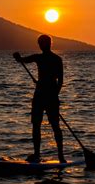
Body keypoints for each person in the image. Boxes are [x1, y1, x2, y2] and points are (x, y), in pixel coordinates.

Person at [13, 34, 66, 163]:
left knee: (54, 126)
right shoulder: (41, 58)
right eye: (40, 43)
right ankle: (37, 154)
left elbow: (60, 81)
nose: (41, 45)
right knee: (37, 125)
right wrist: (18, 58)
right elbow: (24, 60)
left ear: (48, 44)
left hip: (48, 96)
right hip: (41, 95)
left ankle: (60, 156)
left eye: (42, 43)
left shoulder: (56, 59)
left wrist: (54, 95)